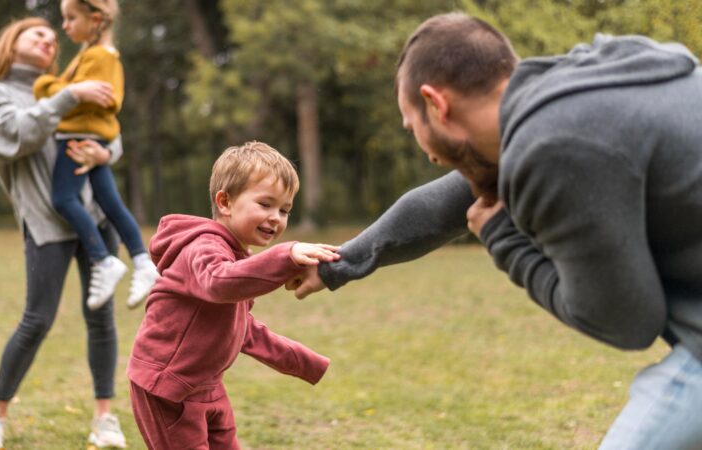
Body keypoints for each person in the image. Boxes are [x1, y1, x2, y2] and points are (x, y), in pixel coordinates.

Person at [291, 12, 702, 449]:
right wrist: (338, 265)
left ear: (436, 104)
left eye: (414, 128)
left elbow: (627, 322)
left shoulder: (555, 148)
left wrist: (505, 241)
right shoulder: (577, 87)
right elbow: (445, 203)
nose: (428, 154)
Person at [0, 17, 129, 449]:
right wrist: (69, 95)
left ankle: (104, 419)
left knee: (102, 320)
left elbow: (109, 131)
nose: (48, 37)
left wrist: (105, 150)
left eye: (51, 36)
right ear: (11, 41)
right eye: (35, 32)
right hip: (45, 222)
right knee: (36, 320)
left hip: (94, 217)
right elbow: (16, 136)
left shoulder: (61, 84)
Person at [127, 141, 337, 449]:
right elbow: (218, 282)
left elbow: (241, 329)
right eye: (265, 204)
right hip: (168, 387)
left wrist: (302, 361)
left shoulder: (236, 257)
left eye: (285, 210)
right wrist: (286, 255)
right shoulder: (204, 248)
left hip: (207, 384)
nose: (276, 218)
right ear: (225, 202)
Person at [33, 0, 157, 311]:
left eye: (71, 18)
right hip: (92, 137)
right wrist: (67, 87)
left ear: (96, 19)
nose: (65, 26)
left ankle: (103, 260)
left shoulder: (99, 57)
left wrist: (47, 84)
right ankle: (143, 262)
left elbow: (82, 96)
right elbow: (76, 90)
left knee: (63, 198)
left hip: (77, 137)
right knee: (110, 203)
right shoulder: (93, 55)